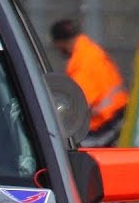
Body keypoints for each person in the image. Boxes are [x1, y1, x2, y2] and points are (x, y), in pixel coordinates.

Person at [51, 19, 127, 147]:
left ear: (61, 42)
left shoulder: (81, 62)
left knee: (70, 149)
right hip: (115, 116)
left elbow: (80, 102)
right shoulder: (90, 51)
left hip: (106, 122)